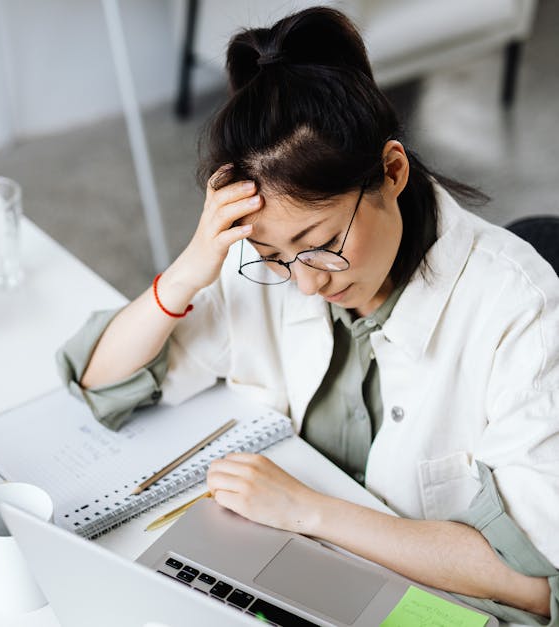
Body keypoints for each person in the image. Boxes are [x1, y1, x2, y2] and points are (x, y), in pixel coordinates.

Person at [58, 7, 558, 623]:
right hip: (301, 565)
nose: (306, 281)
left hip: (431, 603)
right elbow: (101, 382)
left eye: (321, 243)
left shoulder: (518, 307)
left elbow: (537, 582)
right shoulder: (267, 266)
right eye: (272, 256)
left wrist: (307, 511)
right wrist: (193, 266)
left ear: (392, 171)